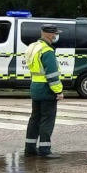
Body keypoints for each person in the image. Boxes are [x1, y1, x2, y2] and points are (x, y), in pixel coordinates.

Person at [24, 24, 64, 158]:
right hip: (47, 89)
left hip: (35, 86)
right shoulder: (47, 51)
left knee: (34, 118)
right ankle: (44, 150)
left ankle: (29, 148)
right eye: (54, 34)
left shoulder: (33, 47)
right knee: (47, 119)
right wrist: (58, 91)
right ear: (48, 34)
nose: (56, 36)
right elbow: (52, 75)